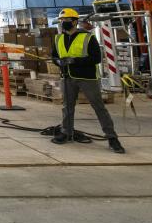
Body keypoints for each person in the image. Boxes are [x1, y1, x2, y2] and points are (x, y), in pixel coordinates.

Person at [51, 8, 125, 153]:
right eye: (61, 21)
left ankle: (112, 138)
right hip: (67, 77)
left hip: (87, 77)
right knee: (67, 107)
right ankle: (66, 132)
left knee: (98, 107)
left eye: (66, 21)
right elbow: (54, 56)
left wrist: (74, 61)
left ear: (74, 21)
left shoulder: (88, 37)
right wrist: (58, 62)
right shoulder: (58, 38)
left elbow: (96, 58)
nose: (63, 23)